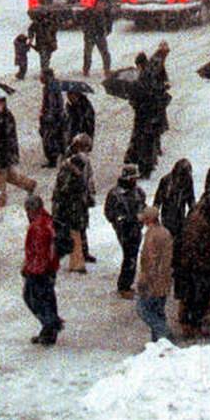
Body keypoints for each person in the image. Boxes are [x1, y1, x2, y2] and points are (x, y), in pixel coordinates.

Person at [178, 191, 210, 335]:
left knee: (193, 296)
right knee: (196, 296)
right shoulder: (200, 222)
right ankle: (192, 325)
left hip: (194, 265)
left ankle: (191, 323)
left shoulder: (199, 216)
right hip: (195, 266)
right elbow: (196, 246)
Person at [21, 194, 62, 344]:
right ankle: (49, 327)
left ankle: (50, 326)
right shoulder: (47, 221)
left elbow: (40, 252)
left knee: (33, 298)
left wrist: (31, 269)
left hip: (40, 271)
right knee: (46, 299)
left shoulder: (38, 226)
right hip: (48, 269)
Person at [125, 45, 171, 178]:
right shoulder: (152, 69)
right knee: (148, 140)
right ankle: (147, 163)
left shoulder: (145, 76)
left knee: (144, 141)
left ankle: (145, 166)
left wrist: (135, 101)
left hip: (146, 115)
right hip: (151, 114)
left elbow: (145, 95)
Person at [0, 94, 36, 208]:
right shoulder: (1, 116)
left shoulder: (3, 117)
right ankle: (29, 184)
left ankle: (0, 204)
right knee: (10, 176)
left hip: (0, 155)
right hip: (4, 153)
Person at [104, 165, 148, 298]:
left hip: (136, 228)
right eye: (133, 178)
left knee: (132, 256)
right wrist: (123, 221)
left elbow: (142, 205)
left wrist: (142, 217)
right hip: (125, 230)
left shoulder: (138, 191)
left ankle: (126, 284)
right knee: (130, 256)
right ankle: (124, 286)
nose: (135, 181)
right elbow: (110, 213)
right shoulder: (115, 194)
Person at [53, 135, 95, 270]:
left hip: (76, 201)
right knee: (73, 229)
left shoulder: (78, 160)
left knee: (79, 227)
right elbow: (65, 187)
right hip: (71, 203)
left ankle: (83, 252)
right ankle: (76, 259)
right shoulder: (73, 163)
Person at [135, 203, 175, 342]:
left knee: (143, 309)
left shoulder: (153, 236)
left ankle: (163, 334)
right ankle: (158, 341)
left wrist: (144, 281)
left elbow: (150, 262)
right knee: (158, 310)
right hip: (164, 279)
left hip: (154, 282)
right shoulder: (164, 232)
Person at [38, 70, 67, 167]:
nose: (40, 78)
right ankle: (63, 155)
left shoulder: (51, 87)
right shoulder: (53, 85)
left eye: (42, 76)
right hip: (58, 117)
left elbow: (52, 104)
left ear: (48, 76)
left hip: (53, 118)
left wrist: (48, 116)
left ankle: (52, 160)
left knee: (49, 139)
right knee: (59, 137)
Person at [79, 0, 112, 76]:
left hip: (100, 35)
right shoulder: (89, 12)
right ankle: (86, 69)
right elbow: (82, 21)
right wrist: (86, 30)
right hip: (90, 35)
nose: (101, 6)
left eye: (103, 4)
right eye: (100, 3)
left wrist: (107, 30)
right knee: (88, 53)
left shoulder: (105, 13)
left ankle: (107, 69)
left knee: (105, 53)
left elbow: (109, 23)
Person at [29, 9, 58, 76]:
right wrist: (31, 38)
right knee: (44, 57)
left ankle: (45, 69)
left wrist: (53, 42)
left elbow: (54, 32)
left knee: (47, 56)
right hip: (42, 43)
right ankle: (44, 71)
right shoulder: (37, 23)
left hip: (50, 43)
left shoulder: (52, 22)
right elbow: (31, 30)